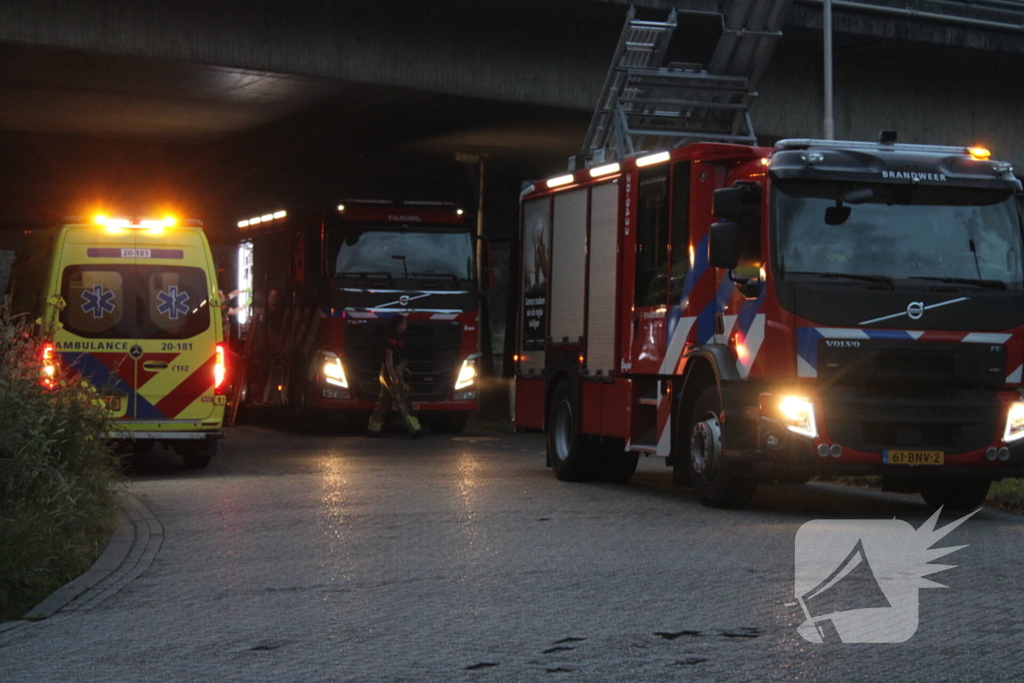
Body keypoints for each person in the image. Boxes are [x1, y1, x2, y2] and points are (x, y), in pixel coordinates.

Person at [367, 315, 422, 438]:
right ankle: (414, 428)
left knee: (385, 402)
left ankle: (373, 427)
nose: (406, 326)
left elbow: (394, 357)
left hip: (388, 371)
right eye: (404, 323)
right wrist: (393, 374)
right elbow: (389, 356)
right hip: (391, 372)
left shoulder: (393, 336)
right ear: (399, 325)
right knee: (402, 399)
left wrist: (403, 369)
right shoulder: (393, 337)